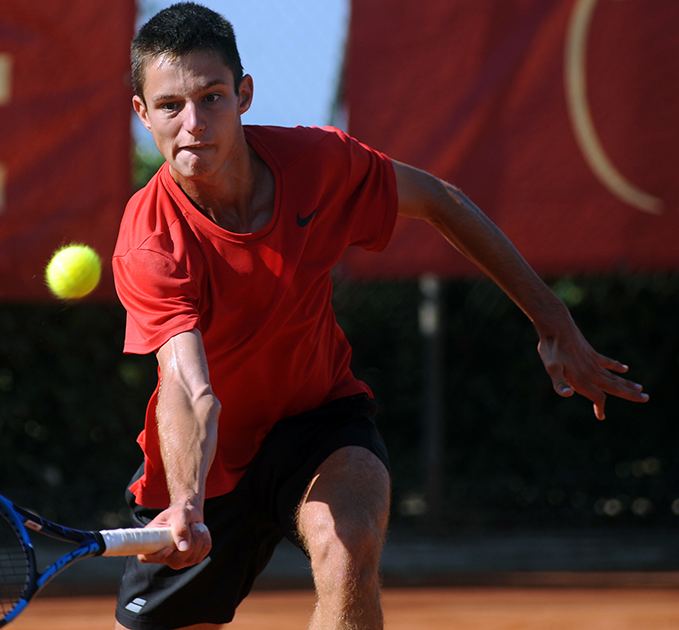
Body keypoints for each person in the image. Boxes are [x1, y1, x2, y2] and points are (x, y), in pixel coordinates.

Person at [110, 4, 649, 629]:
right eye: (171, 105)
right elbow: (186, 385)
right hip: (209, 465)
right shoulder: (151, 240)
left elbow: (440, 201)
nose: (194, 123)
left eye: (212, 97)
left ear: (245, 96)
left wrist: (553, 322)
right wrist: (187, 505)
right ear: (142, 114)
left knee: (349, 549)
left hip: (319, 421)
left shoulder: (318, 165)